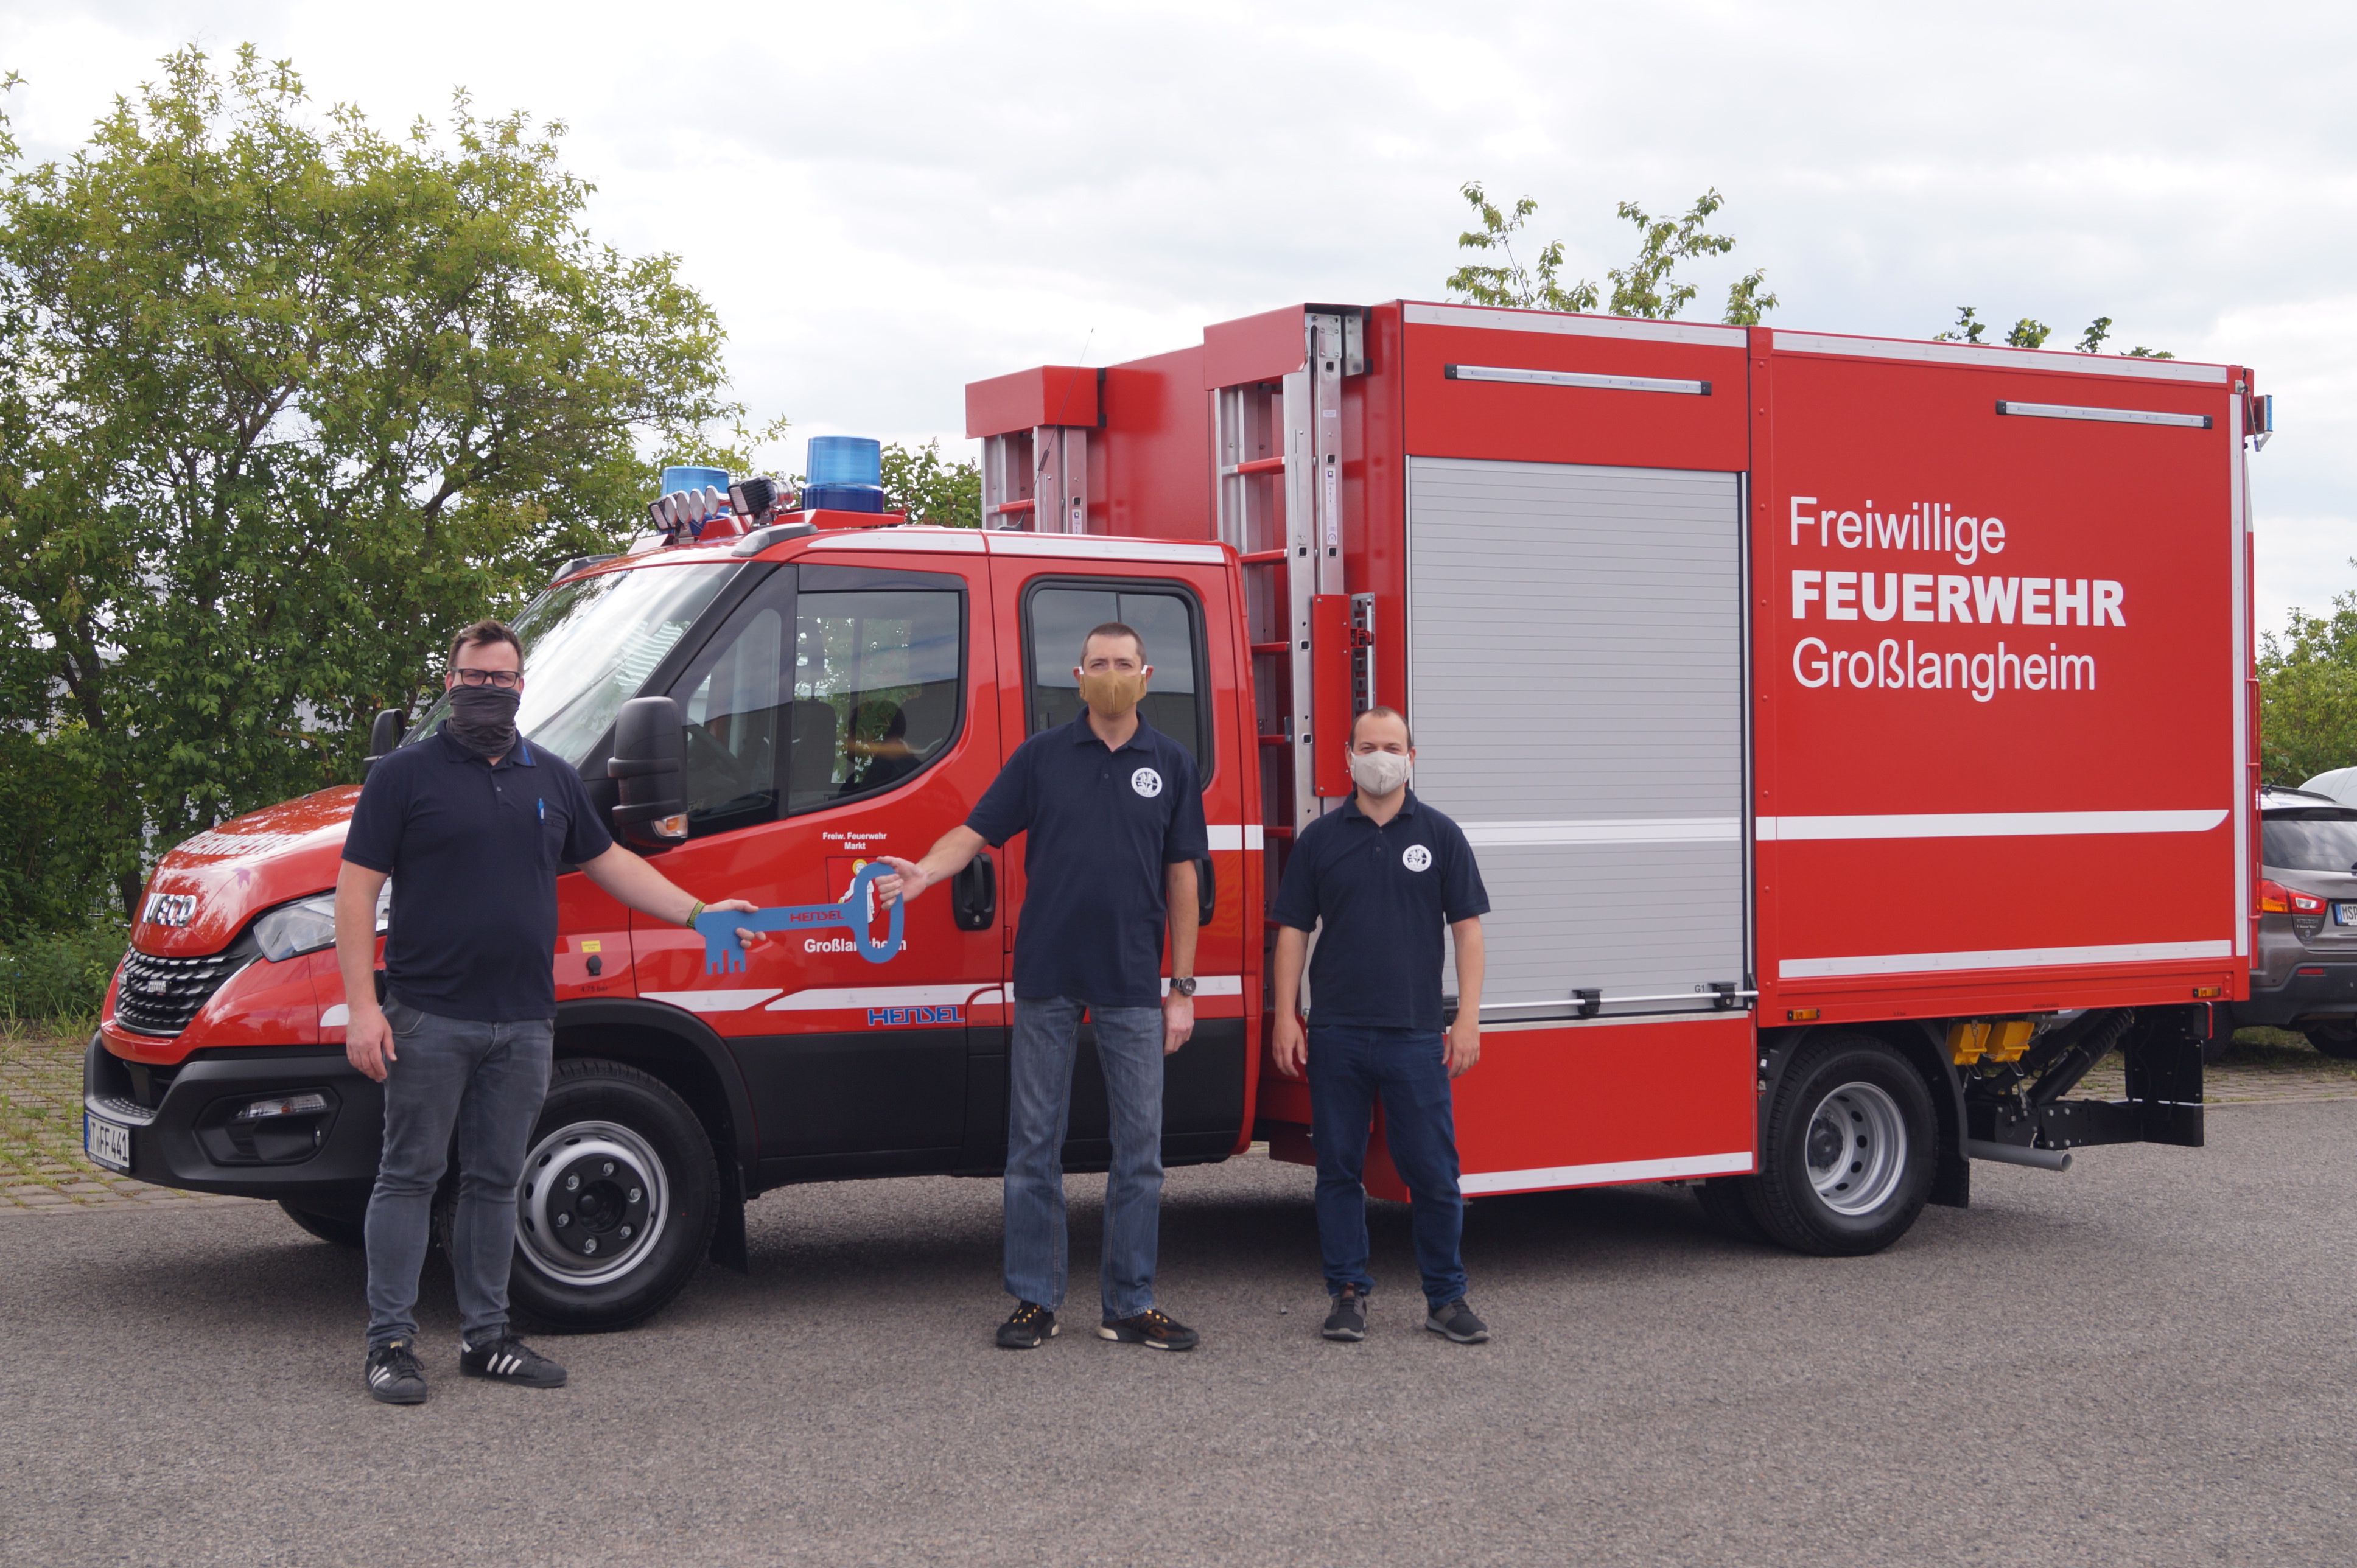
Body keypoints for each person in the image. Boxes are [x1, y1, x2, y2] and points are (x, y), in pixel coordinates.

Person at [337, 620, 763, 1405]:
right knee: (408, 1176)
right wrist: (364, 1008)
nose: (487, 691)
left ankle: (487, 1337)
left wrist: (700, 913)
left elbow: (614, 864)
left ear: (521, 688)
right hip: (429, 1014)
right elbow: (355, 890)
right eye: (474, 677)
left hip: (525, 1020)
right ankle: (390, 1343)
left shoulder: (554, 779)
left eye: (502, 679)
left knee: (497, 1181)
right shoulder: (403, 776)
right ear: (450, 683)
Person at [878, 623, 1208, 1352]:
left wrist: (1181, 986)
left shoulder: (1172, 764)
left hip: (1131, 983)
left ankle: (1131, 1302)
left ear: (1145, 675)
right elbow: (975, 831)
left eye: (1124, 663)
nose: (1112, 674)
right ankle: (1034, 1298)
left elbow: (1183, 877)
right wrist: (926, 873)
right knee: (1033, 1144)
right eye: (1099, 663)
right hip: (1048, 976)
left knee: (1141, 1149)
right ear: (1077, 673)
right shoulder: (1041, 757)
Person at [1270, 706, 1493, 1345]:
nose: (1379, 756)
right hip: (1336, 1031)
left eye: (1391, 745)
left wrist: (1467, 1016)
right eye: (1367, 746)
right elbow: (1292, 933)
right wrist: (1287, 1015)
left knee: (1432, 1172)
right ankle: (1345, 1292)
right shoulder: (1319, 838)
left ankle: (1445, 1297)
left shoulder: (1441, 834)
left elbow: (1468, 932)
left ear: (1411, 755)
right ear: (1346, 756)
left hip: (1414, 1033)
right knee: (1338, 1168)